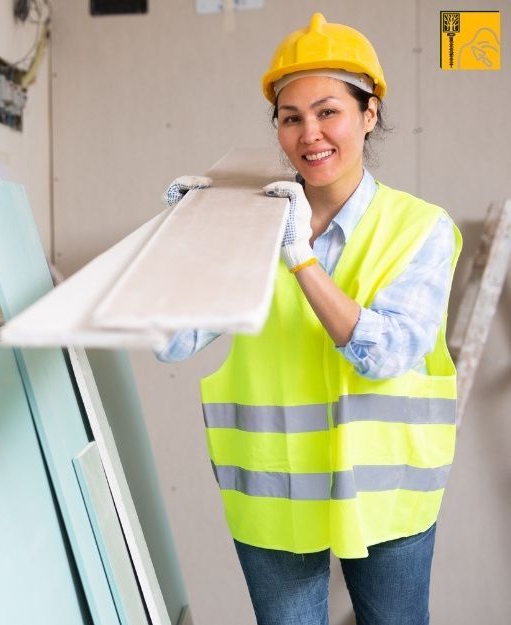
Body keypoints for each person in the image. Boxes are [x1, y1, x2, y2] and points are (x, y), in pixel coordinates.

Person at [157, 13, 462, 625]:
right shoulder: (248, 223)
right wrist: (183, 242)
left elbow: (389, 353)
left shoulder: (421, 228)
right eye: (290, 117)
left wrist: (300, 259)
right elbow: (173, 341)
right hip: (277, 497)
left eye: (328, 112)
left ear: (368, 114)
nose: (309, 134)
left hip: (387, 500)